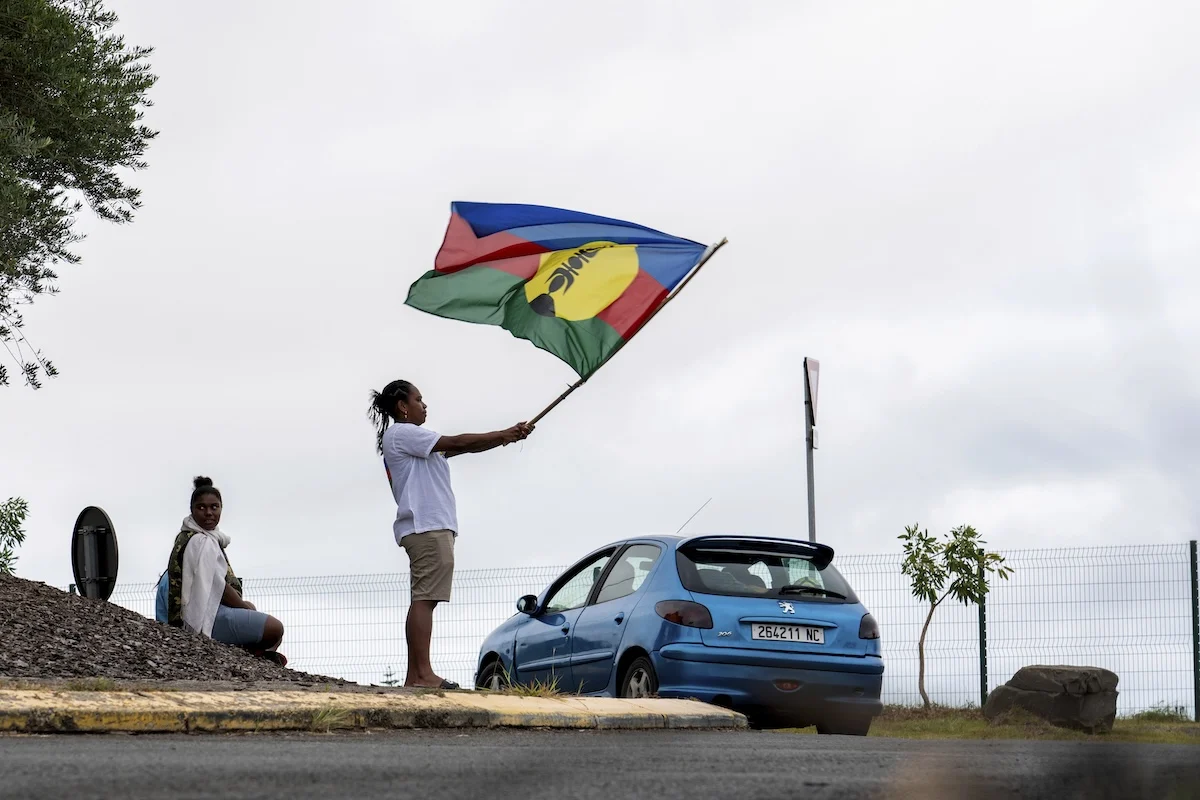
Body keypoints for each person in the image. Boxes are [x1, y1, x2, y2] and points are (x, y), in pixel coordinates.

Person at [368, 379, 532, 689]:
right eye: (418, 399)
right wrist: (503, 434)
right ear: (403, 407)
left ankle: (416, 675)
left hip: (427, 527)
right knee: (425, 599)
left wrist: (504, 439)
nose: (424, 404)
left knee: (425, 598)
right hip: (426, 526)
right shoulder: (404, 433)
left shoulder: (413, 440)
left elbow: (464, 448)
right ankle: (421, 675)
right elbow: (458, 442)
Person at [155, 476, 286, 664]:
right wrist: (243, 606)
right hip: (199, 621)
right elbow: (218, 586)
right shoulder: (202, 542)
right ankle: (252, 657)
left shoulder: (196, 537)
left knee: (253, 611)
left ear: (221, 508)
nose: (208, 513)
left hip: (199, 614)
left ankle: (252, 654)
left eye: (214, 507)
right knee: (276, 629)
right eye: (201, 508)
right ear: (192, 511)